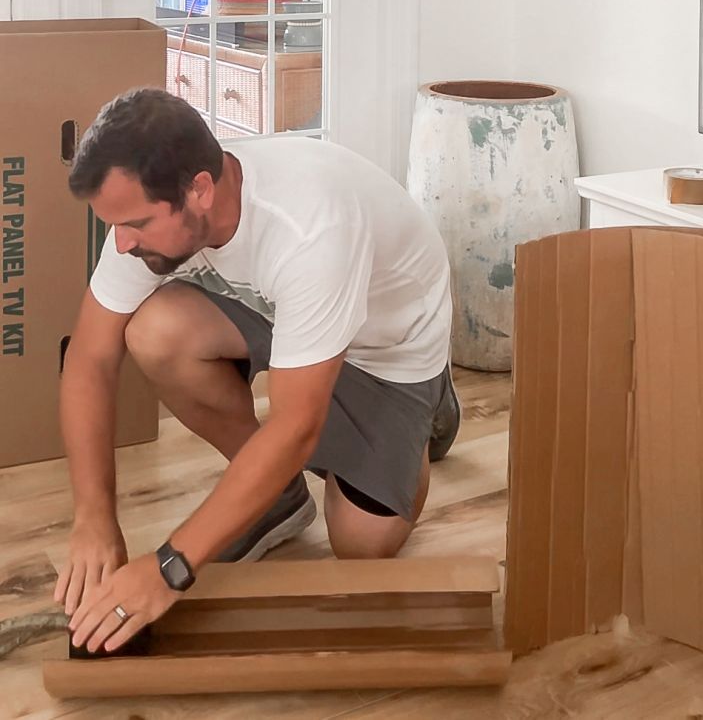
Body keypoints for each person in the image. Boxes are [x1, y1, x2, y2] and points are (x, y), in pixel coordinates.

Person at [54, 88, 459, 654]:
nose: (120, 244)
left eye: (136, 224)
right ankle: (275, 500)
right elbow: (90, 357)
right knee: (152, 331)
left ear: (199, 189)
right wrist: (93, 517)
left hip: (386, 349)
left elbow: (295, 428)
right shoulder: (152, 213)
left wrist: (168, 568)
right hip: (285, 312)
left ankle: (432, 408)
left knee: (362, 547)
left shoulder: (310, 227)